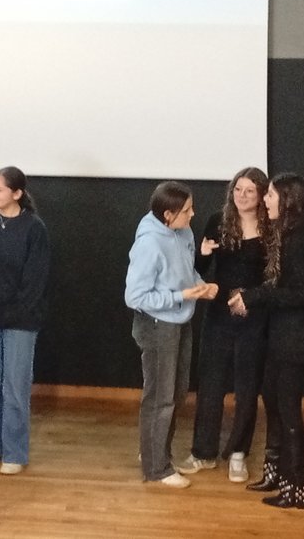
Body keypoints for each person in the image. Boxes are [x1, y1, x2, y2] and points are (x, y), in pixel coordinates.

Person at [229, 173, 304, 510]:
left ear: (287, 199)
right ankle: (275, 473)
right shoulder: (290, 232)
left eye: (269, 194)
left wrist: (254, 297)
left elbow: (302, 293)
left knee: (288, 411)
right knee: (271, 398)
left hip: (296, 336)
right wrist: (252, 295)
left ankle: (297, 488)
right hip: (283, 333)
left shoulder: (302, 238)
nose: (264, 200)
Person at [124, 181, 217, 489]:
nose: (193, 215)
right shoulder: (149, 244)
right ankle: (157, 468)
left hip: (180, 319)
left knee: (176, 393)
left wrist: (200, 286)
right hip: (156, 325)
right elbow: (135, 297)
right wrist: (180, 296)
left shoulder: (184, 231)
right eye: (187, 210)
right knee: (160, 397)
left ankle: (155, 450)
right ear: (168, 214)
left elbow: (187, 270)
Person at [180, 168, 269, 482]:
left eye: (249, 191)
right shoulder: (218, 221)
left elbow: (275, 276)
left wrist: (251, 299)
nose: (242, 196)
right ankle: (203, 453)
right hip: (219, 314)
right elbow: (199, 268)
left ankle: (238, 453)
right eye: (237, 189)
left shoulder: (271, 226)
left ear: (261, 195)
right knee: (211, 384)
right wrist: (203, 254)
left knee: (247, 388)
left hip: (254, 315)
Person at [0, 167, 50, 475]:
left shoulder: (34, 229)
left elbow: (34, 284)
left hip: (20, 321)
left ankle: (14, 452)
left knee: (15, 388)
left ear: (16, 194)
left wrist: (1, 316)